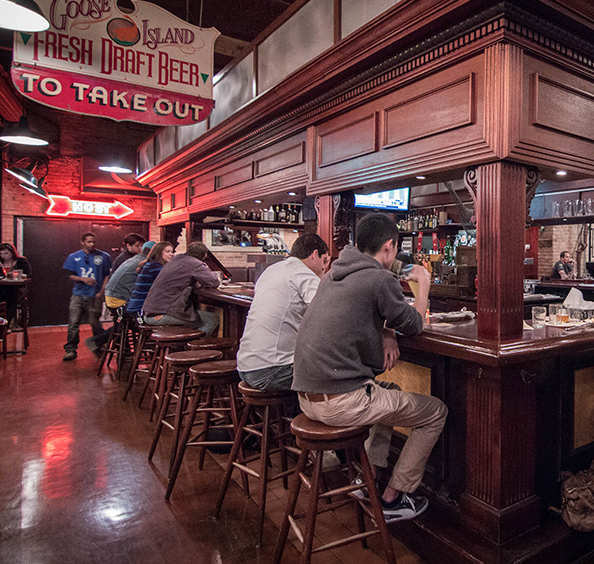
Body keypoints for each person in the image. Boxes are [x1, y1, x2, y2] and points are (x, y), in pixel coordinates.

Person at [293, 214, 447, 522]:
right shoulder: (380, 280)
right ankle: (393, 498)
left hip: (306, 397)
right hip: (340, 402)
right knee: (435, 412)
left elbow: (365, 311)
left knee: (388, 391)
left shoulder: (334, 273)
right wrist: (424, 284)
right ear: (389, 246)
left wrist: (386, 330)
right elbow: (414, 324)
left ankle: (368, 479)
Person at [236, 234, 329, 391]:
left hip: (245, 366)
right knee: (339, 371)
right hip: (272, 370)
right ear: (315, 254)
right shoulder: (302, 273)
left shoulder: (271, 270)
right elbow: (328, 310)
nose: (324, 267)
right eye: (325, 260)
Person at [86, 240, 156, 354]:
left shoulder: (134, 259)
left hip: (113, 298)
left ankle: (124, 350)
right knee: (145, 320)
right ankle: (153, 350)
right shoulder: (145, 263)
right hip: (119, 300)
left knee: (126, 323)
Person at [141, 242, 220, 335]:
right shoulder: (195, 264)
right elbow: (214, 282)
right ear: (204, 255)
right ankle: (194, 344)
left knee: (195, 317)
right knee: (212, 319)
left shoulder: (175, 260)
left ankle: (186, 342)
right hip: (163, 314)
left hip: (148, 313)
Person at [62, 232, 112, 361]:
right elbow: (69, 275)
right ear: (82, 242)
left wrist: (101, 291)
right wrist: (82, 279)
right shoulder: (74, 257)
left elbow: (107, 275)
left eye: (94, 242)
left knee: (95, 323)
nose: (92, 244)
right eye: (89, 242)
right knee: (73, 323)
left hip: (95, 295)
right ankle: (71, 349)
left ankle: (98, 346)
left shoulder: (104, 256)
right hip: (78, 294)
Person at [125, 242, 174, 317]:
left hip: (135, 305)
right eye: (167, 252)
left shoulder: (150, 264)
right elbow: (169, 284)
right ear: (159, 252)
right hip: (141, 308)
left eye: (172, 252)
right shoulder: (155, 266)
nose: (171, 254)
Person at [0, 243, 31, 325]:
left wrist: (17, 274)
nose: (4, 256)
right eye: (1, 254)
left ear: (12, 252)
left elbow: (29, 275)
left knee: (12, 297)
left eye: (6, 253)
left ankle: (6, 325)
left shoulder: (21, 261)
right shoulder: (1, 262)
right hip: (4, 287)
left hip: (19, 287)